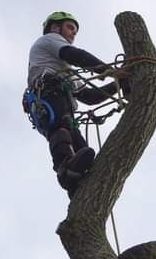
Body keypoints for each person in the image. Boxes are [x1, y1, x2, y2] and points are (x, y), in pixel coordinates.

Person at [24, 11, 123, 196]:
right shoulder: (48, 40)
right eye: (70, 27)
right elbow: (75, 55)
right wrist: (109, 71)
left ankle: (79, 184)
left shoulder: (65, 70)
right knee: (60, 128)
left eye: (75, 31)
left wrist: (119, 85)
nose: (73, 33)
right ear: (55, 27)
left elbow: (89, 96)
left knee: (81, 146)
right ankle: (64, 170)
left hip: (63, 102)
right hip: (48, 93)